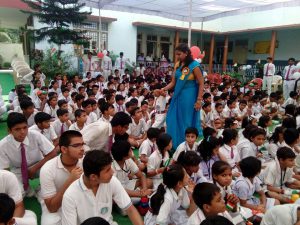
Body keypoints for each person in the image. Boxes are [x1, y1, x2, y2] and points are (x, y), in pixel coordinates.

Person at [61, 150, 144, 225]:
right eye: (107, 170)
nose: (112, 172)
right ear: (93, 177)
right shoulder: (70, 195)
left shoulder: (112, 181)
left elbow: (130, 209)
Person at [0, 112, 56, 195]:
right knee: (17, 193)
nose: (22, 132)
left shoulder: (35, 135)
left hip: (39, 165)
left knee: (54, 179)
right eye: (17, 129)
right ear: (9, 131)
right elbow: (5, 170)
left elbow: (52, 153)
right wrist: (10, 183)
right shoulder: (3, 145)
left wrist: (34, 168)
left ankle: (40, 187)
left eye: (25, 127)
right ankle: (26, 188)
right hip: (18, 169)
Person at [163, 44, 204, 148]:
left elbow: (201, 83)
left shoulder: (194, 65)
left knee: (186, 120)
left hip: (189, 97)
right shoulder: (177, 65)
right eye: (176, 54)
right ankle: (176, 145)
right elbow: (173, 83)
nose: (177, 56)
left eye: (179, 54)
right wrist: (163, 89)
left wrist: (199, 100)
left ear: (186, 53)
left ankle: (187, 145)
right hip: (178, 96)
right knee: (174, 119)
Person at [40, 130, 84, 225]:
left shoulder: (86, 162)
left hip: (80, 201)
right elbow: (52, 208)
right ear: (64, 149)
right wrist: (70, 180)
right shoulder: (47, 169)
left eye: (82, 144)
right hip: (57, 206)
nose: (82, 148)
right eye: (76, 146)